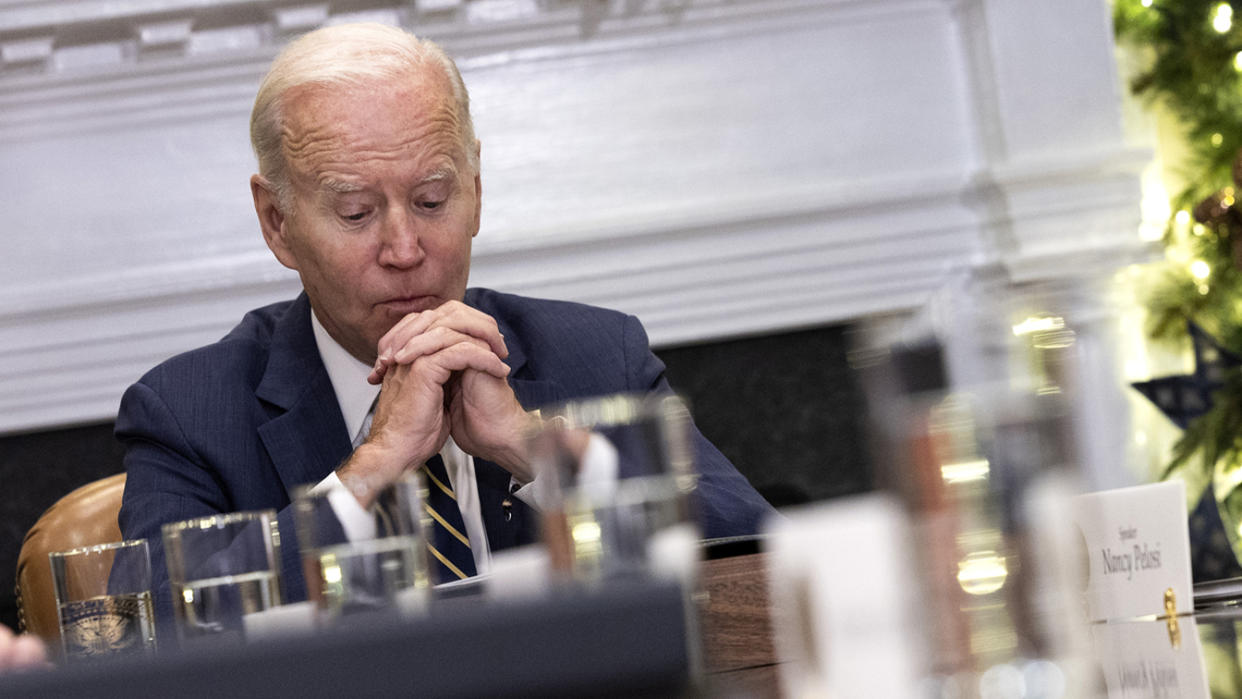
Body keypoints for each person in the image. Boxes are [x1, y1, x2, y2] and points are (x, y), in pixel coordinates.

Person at [116, 22, 771, 628]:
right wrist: (368, 472)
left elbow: (757, 561)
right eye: (355, 212)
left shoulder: (598, 353)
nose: (405, 248)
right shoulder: (189, 413)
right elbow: (154, 639)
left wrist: (533, 446)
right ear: (277, 221)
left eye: (432, 200)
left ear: (476, 191)